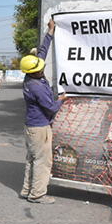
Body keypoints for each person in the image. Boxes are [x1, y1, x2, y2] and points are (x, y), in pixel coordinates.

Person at [20, 18, 66, 204]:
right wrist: (62, 100)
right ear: (33, 72)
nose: (42, 68)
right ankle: (37, 194)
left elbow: (42, 52)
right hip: (40, 128)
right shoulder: (36, 86)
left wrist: (50, 32)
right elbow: (51, 106)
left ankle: (26, 190)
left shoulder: (29, 77)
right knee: (42, 162)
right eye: (40, 69)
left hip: (31, 127)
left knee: (32, 159)